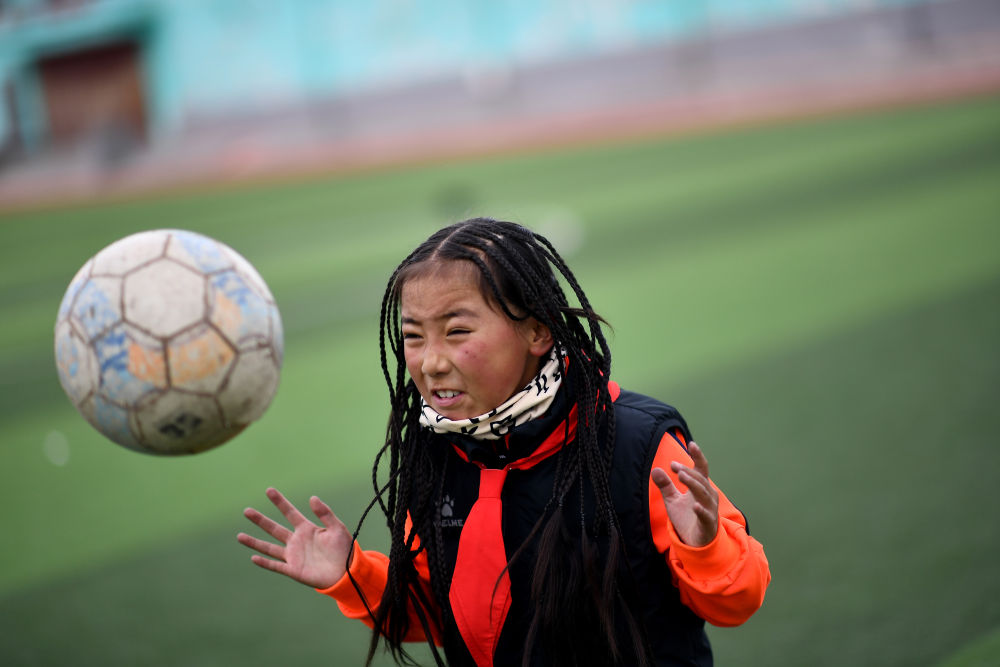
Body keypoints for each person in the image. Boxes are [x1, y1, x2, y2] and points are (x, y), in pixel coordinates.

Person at [238, 218, 770, 667]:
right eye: (414, 336)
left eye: (457, 331)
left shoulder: (636, 443)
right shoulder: (436, 452)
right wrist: (353, 576)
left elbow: (736, 602)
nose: (430, 361)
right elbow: (445, 614)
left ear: (537, 332)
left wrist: (705, 546)